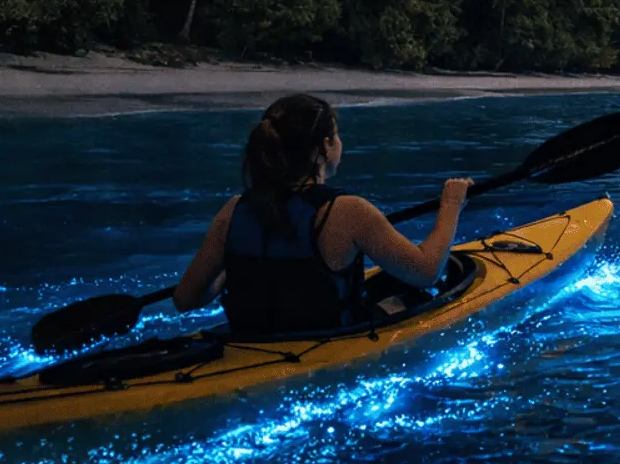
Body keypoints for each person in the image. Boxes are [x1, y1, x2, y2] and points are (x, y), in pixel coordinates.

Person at [173, 93, 472, 334]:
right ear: (325, 148)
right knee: (414, 295)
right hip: (325, 341)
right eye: (337, 136)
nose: (340, 143)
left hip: (250, 340)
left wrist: (234, 272)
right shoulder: (348, 211)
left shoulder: (234, 209)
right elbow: (427, 272)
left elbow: (186, 299)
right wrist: (451, 206)